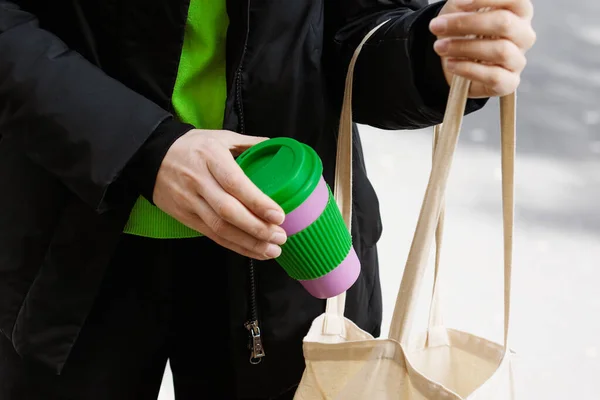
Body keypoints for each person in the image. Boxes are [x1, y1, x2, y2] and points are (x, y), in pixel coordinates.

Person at [0, 0, 535, 398]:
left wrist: (429, 55)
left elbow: (356, 27)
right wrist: (145, 149)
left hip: (293, 244)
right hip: (66, 246)